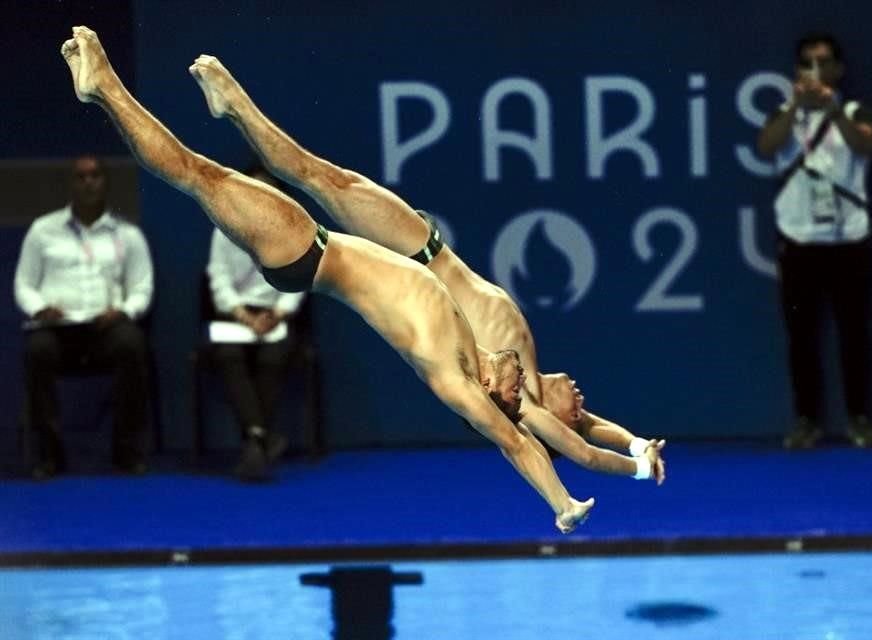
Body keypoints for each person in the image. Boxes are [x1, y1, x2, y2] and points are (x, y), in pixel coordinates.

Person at [61, 26, 592, 532]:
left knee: (198, 174)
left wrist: (561, 503)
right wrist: (635, 449)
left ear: (489, 396)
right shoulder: (476, 342)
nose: (522, 381)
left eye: (513, 391)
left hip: (306, 254)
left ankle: (105, 88)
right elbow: (548, 424)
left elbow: (519, 442)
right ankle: (229, 106)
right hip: (313, 246)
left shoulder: (455, 379)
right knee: (290, 172)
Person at [187, 54, 667, 484]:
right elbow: (593, 430)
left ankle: (236, 106)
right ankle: (235, 109)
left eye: (576, 412)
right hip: (425, 247)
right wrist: (637, 443)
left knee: (319, 178)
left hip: (415, 259)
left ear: (555, 427)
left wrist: (637, 471)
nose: (583, 404)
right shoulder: (534, 384)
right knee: (324, 177)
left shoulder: (524, 406)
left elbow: (584, 453)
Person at [756, 33, 872, 449]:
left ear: (837, 69)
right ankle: (806, 421)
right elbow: (765, 146)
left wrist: (830, 107)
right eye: (806, 63)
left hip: (849, 237)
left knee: (854, 333)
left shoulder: (853, 110)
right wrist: (796, 107)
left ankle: (860, 419)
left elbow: (865, 143)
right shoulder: (782, 113)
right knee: (802, 335)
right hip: (798, 238)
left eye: (823, 61)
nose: (815, 69)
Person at [14, 154, 154, 478]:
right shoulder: (43, 230)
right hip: (58, 330)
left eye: (95, 176)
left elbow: (142, 287)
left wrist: (123, 310)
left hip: (106, 329)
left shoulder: (127, 235)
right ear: (71, 184)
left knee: (132, 344)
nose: (88, 182)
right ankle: (49, 454)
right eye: (81, 177)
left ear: (106, 183)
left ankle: (127, 450)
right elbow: (23, 284)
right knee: (37, 350)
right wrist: (39, 308)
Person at [206, 164, 309, 479]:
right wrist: (244, 317)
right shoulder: (223, 228)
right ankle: (261, 437)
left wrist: (276, 315)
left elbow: (301, 280)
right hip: (237, 317)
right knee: (227, 355)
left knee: (273, 356)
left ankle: (254, 439)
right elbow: (218, 278)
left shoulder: (293, 230)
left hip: (274, 316)